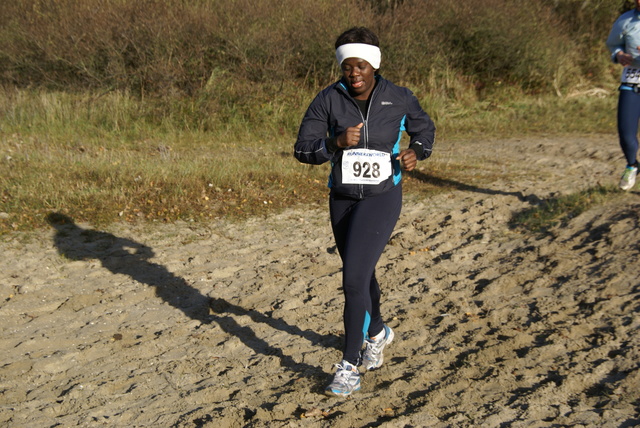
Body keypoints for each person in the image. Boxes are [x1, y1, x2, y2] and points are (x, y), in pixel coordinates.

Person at [293, 27, 436, 397]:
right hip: (342, 197)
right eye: (347, 68)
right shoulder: (327, 100)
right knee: (362, 270)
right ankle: (377, 333)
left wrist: (416, 152)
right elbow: (303, 149)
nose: (354, 74)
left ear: (374, 65)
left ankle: (348, 365)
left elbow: (425, 130)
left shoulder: (399, 98)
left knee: (353, 279)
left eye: (361, 66)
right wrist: (333, 143)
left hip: (382, 195)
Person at [606, 0, 640, 191]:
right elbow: (613, 45)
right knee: (626, 135)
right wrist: (619, 55)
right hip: (632, 83)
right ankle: (632, 165)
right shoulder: (625, 20)